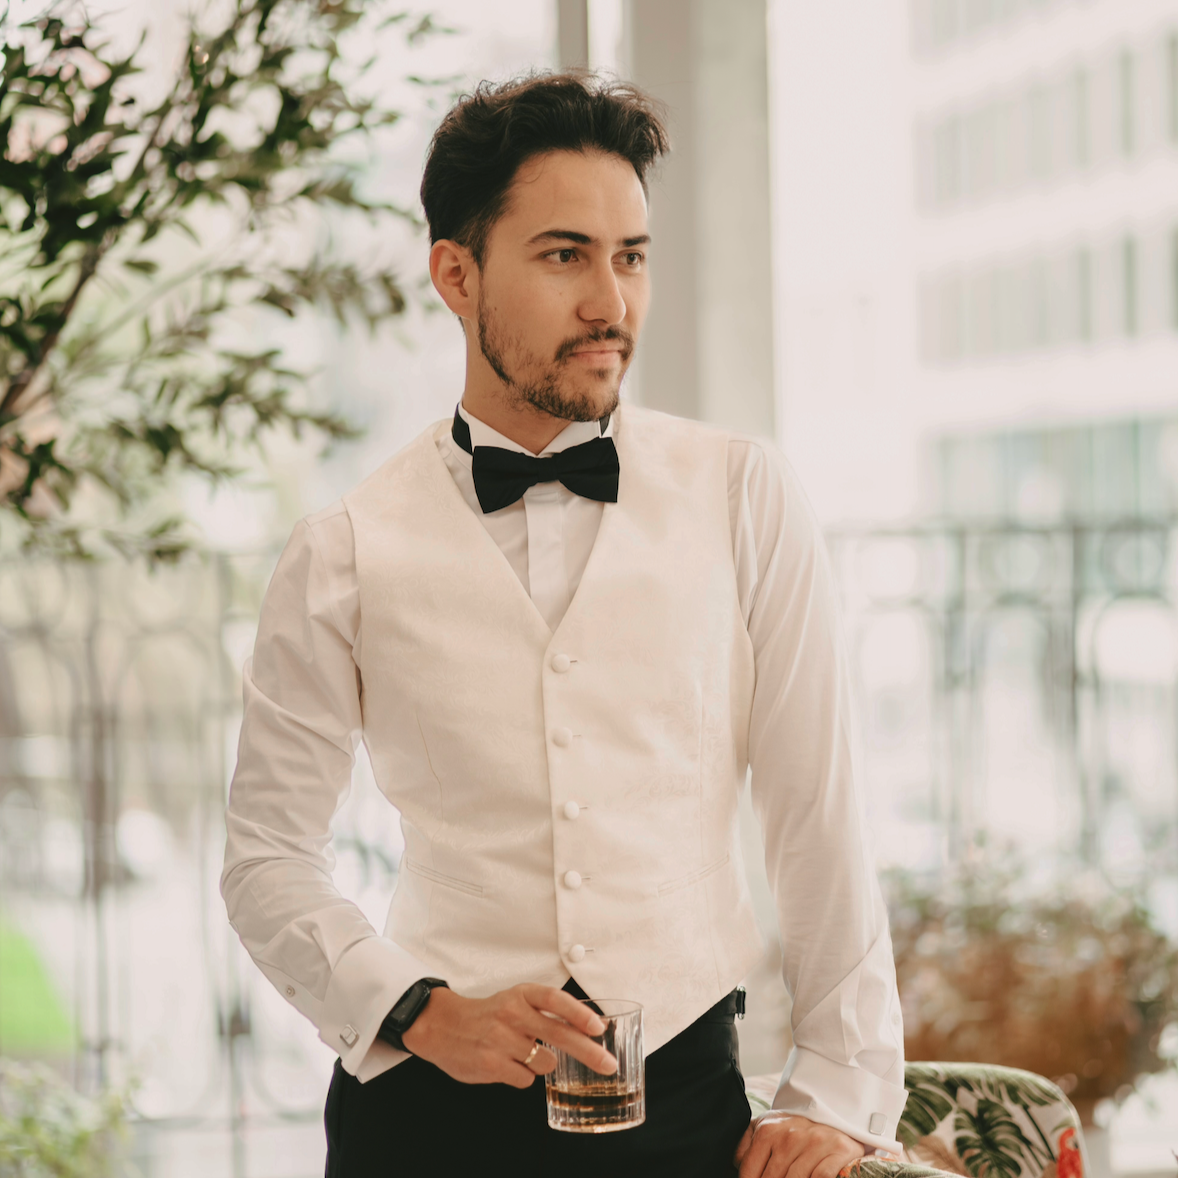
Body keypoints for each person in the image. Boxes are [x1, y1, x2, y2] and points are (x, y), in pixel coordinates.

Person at [221, 72, 907, 1178]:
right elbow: (264, 856)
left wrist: (836, 1087)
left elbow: (812, 809)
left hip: (685, 1108)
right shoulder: (341, 550)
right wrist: (419, 1007)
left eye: (629, 256)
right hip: (422, 1118)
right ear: (455, 272)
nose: (610, 302)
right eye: (562, 255)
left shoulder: (741, 494)